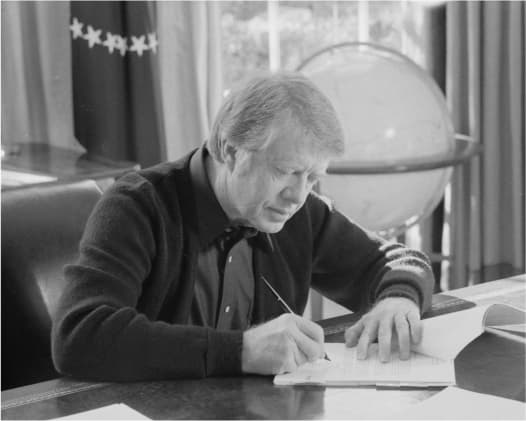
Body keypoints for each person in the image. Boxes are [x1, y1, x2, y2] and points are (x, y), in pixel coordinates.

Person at [52, 72, 434, 381]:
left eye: (313, 178)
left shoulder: (298, 212)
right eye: (286, 172)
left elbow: (396, 261)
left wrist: (397, 299)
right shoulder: (137, 206)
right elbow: (80, 335)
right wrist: (241, 351)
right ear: (231, 150)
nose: (298, 195)